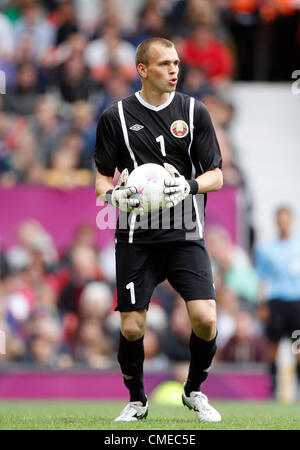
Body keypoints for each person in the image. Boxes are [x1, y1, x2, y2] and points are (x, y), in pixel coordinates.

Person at [94, 37, 223, 423]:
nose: (174, 70)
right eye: (165, 63)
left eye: (177, 63)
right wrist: (112, 197)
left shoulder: (194, 111)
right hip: (137, 237)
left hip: (184, 230)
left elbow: (216, 174)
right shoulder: (114, 117)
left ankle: (194, 390)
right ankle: (137, 400)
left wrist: (189, 186)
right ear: (143, 70)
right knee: (133, 327)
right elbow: (101, 179)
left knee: (206, 317)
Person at [254, 206, 300, 397]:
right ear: (276, 221)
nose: (283, 222)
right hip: (275, 303)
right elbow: (261, 278)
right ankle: (272, 388)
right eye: (280, 219)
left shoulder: (298, 245)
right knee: (272, 347)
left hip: (296, 303)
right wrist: (262, 304)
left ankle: (297, 389)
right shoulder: (265, 249)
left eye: (286, 219)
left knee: (297, 346)